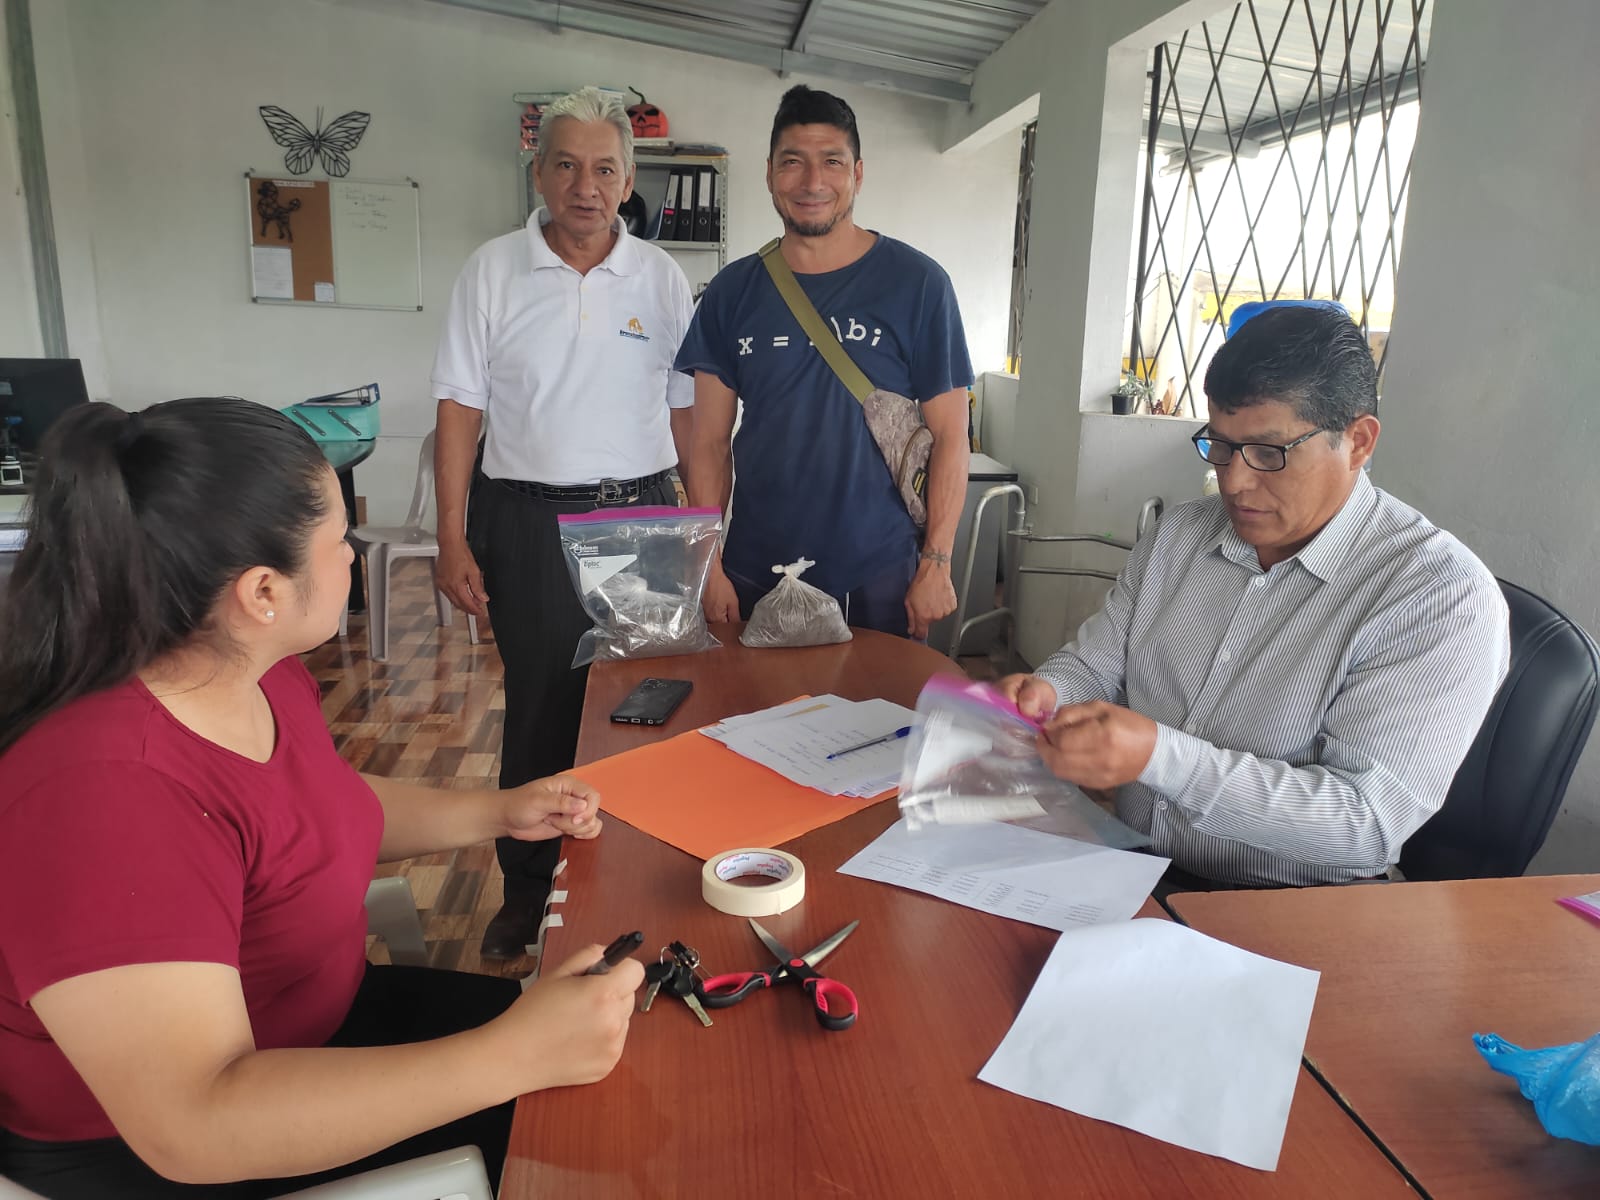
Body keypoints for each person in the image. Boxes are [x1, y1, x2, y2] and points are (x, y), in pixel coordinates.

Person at [0, 398, 645, 1198]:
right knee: (606, 1156)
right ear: (262, 590)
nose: (353, 556)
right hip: (181, 1144)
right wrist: (514, 1055)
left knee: (638, 1073)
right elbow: (195, 1125)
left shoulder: (255, 674)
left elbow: (314, 809)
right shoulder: (103, 795)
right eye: (341, 539)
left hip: (321, 1027)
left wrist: (501, 811)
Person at [1000, 305, 1510, 888]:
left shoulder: (1438, 596)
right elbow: (1097, 664)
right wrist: (1048, 692)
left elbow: (1363, 824)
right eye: (1220, 446)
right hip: (1133, 867)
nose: (1235, 482)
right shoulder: (1181, 534)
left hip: (1286, 909)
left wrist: (1159, 758)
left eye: (1270, 453)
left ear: (1358, 441)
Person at [430, 87, 695, 959]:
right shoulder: (492, 270)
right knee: (543, 713)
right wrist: (451, 536)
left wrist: (709, 530)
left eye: (606, 169)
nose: (588, 186)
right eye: (568, 166)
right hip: (529, 522)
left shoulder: (660, 278)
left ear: (629, 179)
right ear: (539, 172)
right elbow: (460, 409)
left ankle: (636, 880)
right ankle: (528, 892)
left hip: (643, 518)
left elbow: (688, 412)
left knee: (646, 710)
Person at [674, 84, 972, 641]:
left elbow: (953, 435)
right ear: (769, 175)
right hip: (755, 569)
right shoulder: (731, 292)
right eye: (793, 162)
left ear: (857, 173)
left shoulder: (918, 285)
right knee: (751, 703)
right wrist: (708, 565)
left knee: (883, 701)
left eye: (831, 161)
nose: (812, 182)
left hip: (879, 572)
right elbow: (708, 443)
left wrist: (936, 561)